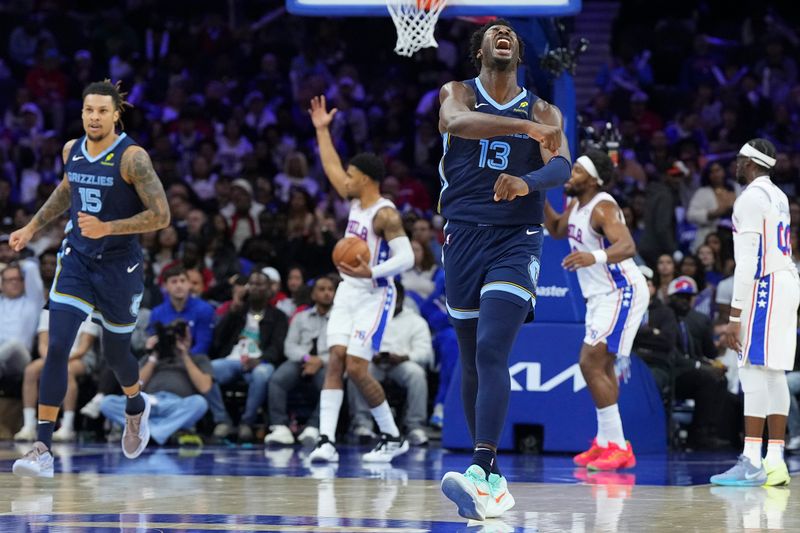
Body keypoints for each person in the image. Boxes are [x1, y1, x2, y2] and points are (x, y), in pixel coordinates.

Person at [436, 19, 569, 521]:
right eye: (493, 30)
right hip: (462, 234)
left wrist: (527, 181)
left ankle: (479, 465)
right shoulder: (457, 93)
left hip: (517, 236)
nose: (503, 32)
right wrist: (525, 130)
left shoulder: (542, 107)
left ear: (519, 54)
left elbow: (562, 165)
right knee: (471, 358)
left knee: (493, 346)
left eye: (510, 30)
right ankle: (491, 484)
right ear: (481, 52)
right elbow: (457, 124)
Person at [10, 80, 170, 478]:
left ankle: (136, 405)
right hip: (77, 262)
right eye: (88, 110)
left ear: (116, 113)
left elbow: (162, 216)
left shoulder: (133, 158)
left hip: (120, 268)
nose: (94, 117)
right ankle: (42, 447)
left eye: (102, 111)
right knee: (57, 348)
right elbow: (67, 190)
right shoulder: (71, 149)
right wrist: (31, 229)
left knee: (117, 355)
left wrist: (108, 227)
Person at [307, 94, 415, 464]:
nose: (345, 181)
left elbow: (408, 257)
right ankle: (325, 440)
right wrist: (322, 130)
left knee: (356, 367)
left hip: (374, 294)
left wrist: (374, 270)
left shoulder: (385, 215)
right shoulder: (356, 201)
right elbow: (332, 166)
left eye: (352, 177)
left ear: (366, 179)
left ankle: (392, 435)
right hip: (347, 292)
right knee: (335, 359)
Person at [544, 149, 648, 470]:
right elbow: (559, 230)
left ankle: (618, 446)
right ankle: (606, 443)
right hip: (600, 296)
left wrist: (594, 257)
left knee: (589, 361)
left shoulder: (603, 207)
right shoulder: (576, 203)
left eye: (576, 171)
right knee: (600, 367)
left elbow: (628, 246)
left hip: (621, 291)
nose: (570, 176)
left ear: (592, 179)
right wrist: (538, 197)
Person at [712, 139, 800, 487]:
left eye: (739, 158)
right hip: (787, 279)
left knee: (750, 369)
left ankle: (751, 459)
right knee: (774, 372)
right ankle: (775, 461)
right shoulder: (777, 195)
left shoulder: (749, 197)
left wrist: (735, 317)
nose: (735, 163)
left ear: (750, 162)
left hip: (766, 284)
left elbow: (747, 261)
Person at [206, 269, 288, 442]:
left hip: (261, 362)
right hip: (233, 360)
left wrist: (260, 359)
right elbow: (217, 341)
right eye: (251, 283)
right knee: (207, 370)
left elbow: (277, 348)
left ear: (269, 289)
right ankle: (222, 420)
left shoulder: (278, 317)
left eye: (260, 284)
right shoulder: (238, 311)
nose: (255, 288)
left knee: (261, 374)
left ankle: (247, 423)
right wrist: (233, 311)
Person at [348, 282, 433, 446]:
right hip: (374, 363)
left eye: (396, 297)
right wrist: (370, 355)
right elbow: (356, 342)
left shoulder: (416, 321)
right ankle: (362, 425)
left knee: (417, 375)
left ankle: (415, 426)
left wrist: (404, 357)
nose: (393, 301)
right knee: (355, 371)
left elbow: (425, 353)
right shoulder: (370, 317)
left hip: (402, 363)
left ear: (402, 298)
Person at [100, 320, 212, 445]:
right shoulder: (150, 358)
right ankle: (160, 431)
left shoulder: (198, 359)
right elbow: (134, 387)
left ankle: (151, 433)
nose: (176, 340)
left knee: (200, 403)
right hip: (147, 403)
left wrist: (185, 356)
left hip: (176, 406)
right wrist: (153, 357)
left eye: (182, 336)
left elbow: (205, 387)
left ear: (190, 338)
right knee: (107, 403)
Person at [264, 275, 336, 447]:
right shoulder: (300, 317)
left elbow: (342, 349)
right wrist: (307, 358)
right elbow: (289, 346)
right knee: (277, 379)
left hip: (328, 363)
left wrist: (320, 360)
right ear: (313, 295)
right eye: (322, 289)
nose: (326, 293)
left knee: (330, 384)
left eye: (330, 290)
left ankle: (314, 427)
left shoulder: (341, 319)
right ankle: (280, 427)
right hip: (300, 360)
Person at [15, 312, 100, 442]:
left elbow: (84, 347)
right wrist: (53, 360)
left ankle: (67, 426)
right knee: (31, 370)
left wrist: (60, 361)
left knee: (66, 370)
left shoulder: (89, 309)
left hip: (80, 357)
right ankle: (29, 426)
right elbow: (43, 344)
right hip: (52, 356)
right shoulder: (48, 308)